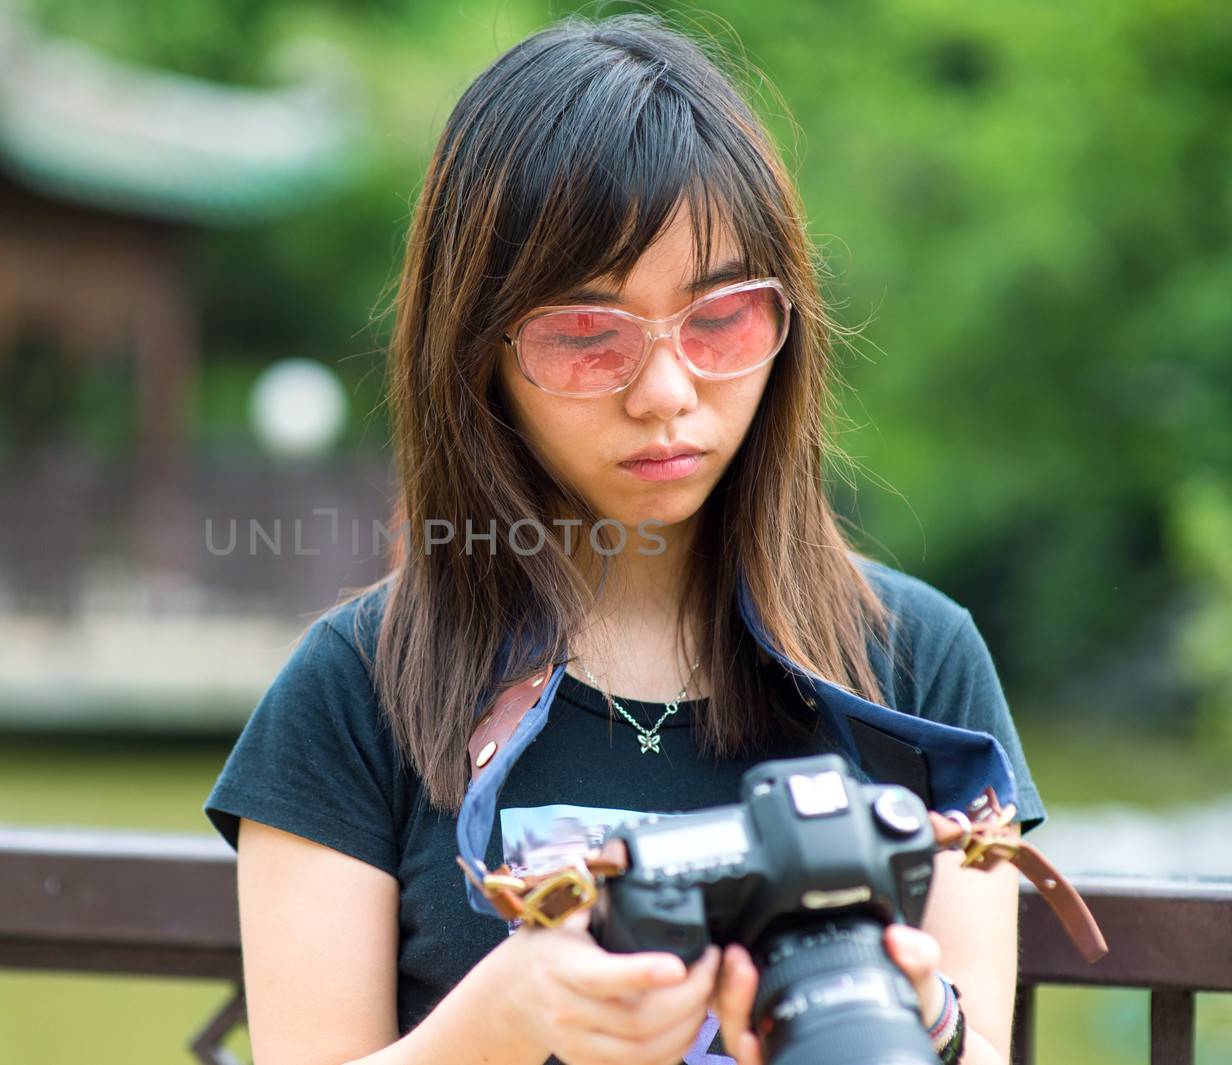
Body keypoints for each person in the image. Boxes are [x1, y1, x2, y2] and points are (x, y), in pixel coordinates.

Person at [205, 12, 1044, 1065]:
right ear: (477, 355)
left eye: (721, 318)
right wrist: (497, 1022)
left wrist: (929, 1024)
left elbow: (974, 1030)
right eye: (587, 337)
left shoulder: (917, 667)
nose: (665, 392)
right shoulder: (355, 689)